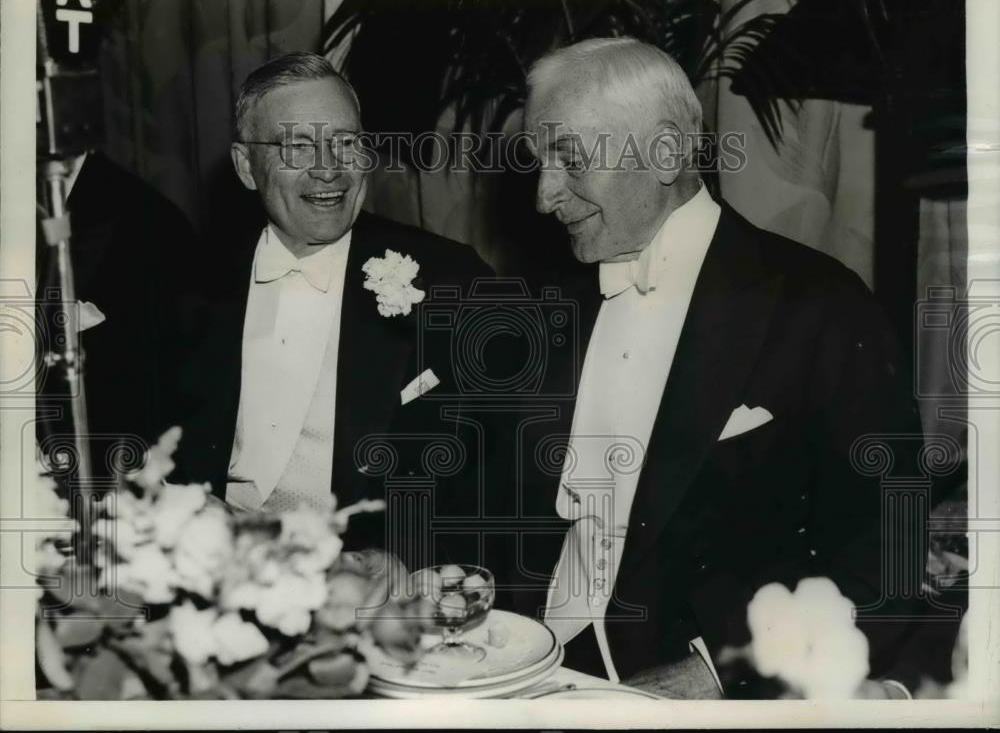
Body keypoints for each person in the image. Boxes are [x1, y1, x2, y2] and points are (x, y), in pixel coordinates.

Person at [505, 37, 929, 698]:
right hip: (540, 671)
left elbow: (887, 552)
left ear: (668, 153)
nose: (544, 195)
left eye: (571, 159)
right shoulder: (547, 304)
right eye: (539, 162)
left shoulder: (821, 305)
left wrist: (715, 673)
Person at [170, 52, 491, 568]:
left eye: (346, 142)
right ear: (245, 166)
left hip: (373, 589)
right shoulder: (184, 287)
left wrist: (397, 568)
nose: (328, 169)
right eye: (298, 146)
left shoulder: (454, 282)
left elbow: (490, 480)